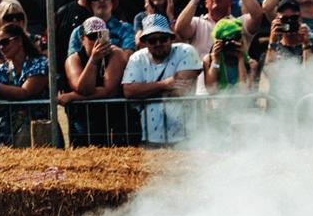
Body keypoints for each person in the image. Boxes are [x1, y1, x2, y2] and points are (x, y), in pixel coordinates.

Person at [121, 15, 202, 145]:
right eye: (152, 40)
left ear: (171, 38)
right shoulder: (137, 58)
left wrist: (144, 91)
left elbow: (180, 89)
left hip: (185, 137)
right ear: (145, 42)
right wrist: (164, 84)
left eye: (163, 39)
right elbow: (129, 91)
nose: (158, 43)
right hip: (150, 137)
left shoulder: (186, 51)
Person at [60, 16, 131, 145]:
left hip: (113, 118)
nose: (97, 41)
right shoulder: (73, 59)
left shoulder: (116, 54)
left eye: (101, 35)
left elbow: (110, 91)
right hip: (84, 120)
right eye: (92, 37)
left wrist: (73, 96)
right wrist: (94, 60)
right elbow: (83, 88)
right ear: (82, 39)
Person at [0, 23, 48, 145]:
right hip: (7, 136)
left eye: (4, 42)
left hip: (38, 133)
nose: (1, 47)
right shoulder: (0, 70)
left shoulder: (40, 64)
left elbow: (25, 92)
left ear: (19, 40)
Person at [175, 0, 263, 56]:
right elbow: (180, 29)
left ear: (230, 1)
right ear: (206, 3)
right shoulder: (197, 23)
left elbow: (258, 15)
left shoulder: (239, 23)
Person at [66, 0, 135, 56]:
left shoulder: (126, 28)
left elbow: (129, 56)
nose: (101, 0)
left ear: (112, 2)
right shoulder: (78, 32)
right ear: (90, 4)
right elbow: (72, 60)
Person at [201, 17, 255, 93]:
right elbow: (211, 90)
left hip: (241, 100)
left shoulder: (251, 64)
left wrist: (241, 59)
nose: (230, 44)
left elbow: (245, 91)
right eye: (226, 40)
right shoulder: (208, 60)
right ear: (217, 42)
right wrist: (215, 61)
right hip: (219, 100)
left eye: (235, 39)